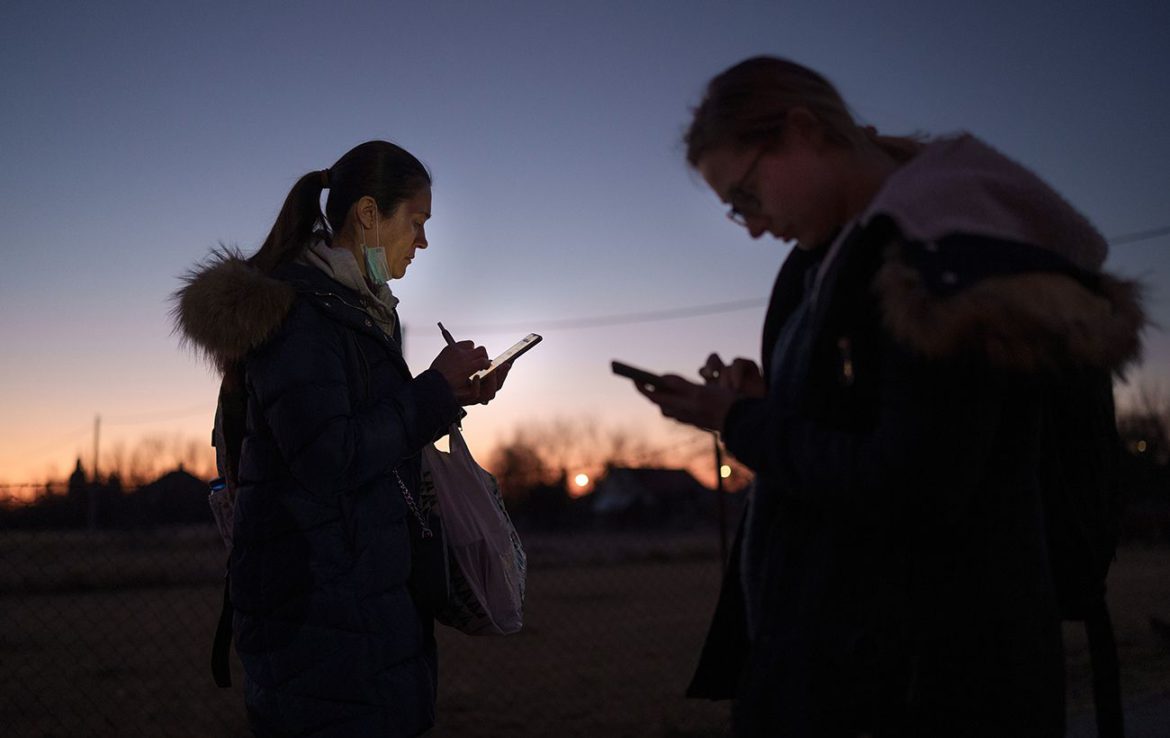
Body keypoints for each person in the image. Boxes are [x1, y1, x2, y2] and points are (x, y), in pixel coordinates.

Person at [632, 57, 1145, 736]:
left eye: (745, 195)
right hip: (853, 666)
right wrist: (774, 397)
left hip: (916, 687)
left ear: (802, 129)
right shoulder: (848, 249)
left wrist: (740, 420)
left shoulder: (935, 258)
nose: (751, 224)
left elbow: (910, 486)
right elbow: (871, 415)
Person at [174, 140, 507, 737]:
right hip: (318, 619)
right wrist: (432, 392)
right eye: (418, 221)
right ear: (369, 214)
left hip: (358, 605)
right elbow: (330, 457)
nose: (424, 242)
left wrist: (454, 395)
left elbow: (370, 434)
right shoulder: (302, 317)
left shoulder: (356, 311)